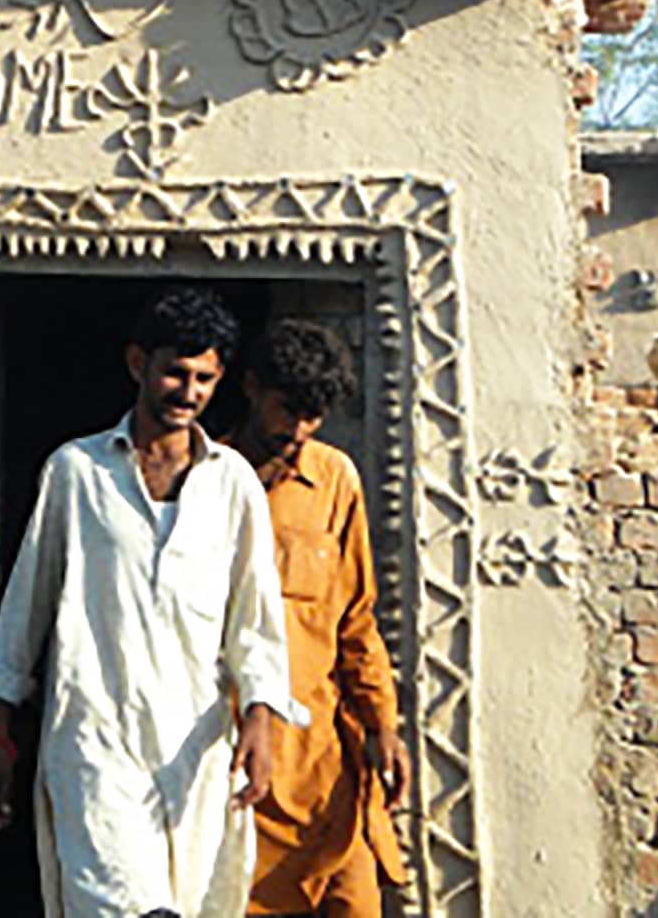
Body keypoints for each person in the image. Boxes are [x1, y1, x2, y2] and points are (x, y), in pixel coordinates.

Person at [0, 286, 297, 918]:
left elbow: (255, 620)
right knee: (120, 907)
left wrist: (260, 719)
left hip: (193, 745)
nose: (189, 390)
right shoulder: (78, 471)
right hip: (94, 737)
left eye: (204, 377)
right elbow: (26, 607)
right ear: (136, 365)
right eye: (175, 371)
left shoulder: (231, 484)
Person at [232, 319, 409, 918]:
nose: (299, 431)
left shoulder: (333, 479)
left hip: (324, 764)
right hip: (236, 768)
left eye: (313, 417)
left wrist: (382, 721)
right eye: (288, 411)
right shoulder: (205, 481)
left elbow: (356, 618)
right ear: (252, 387)